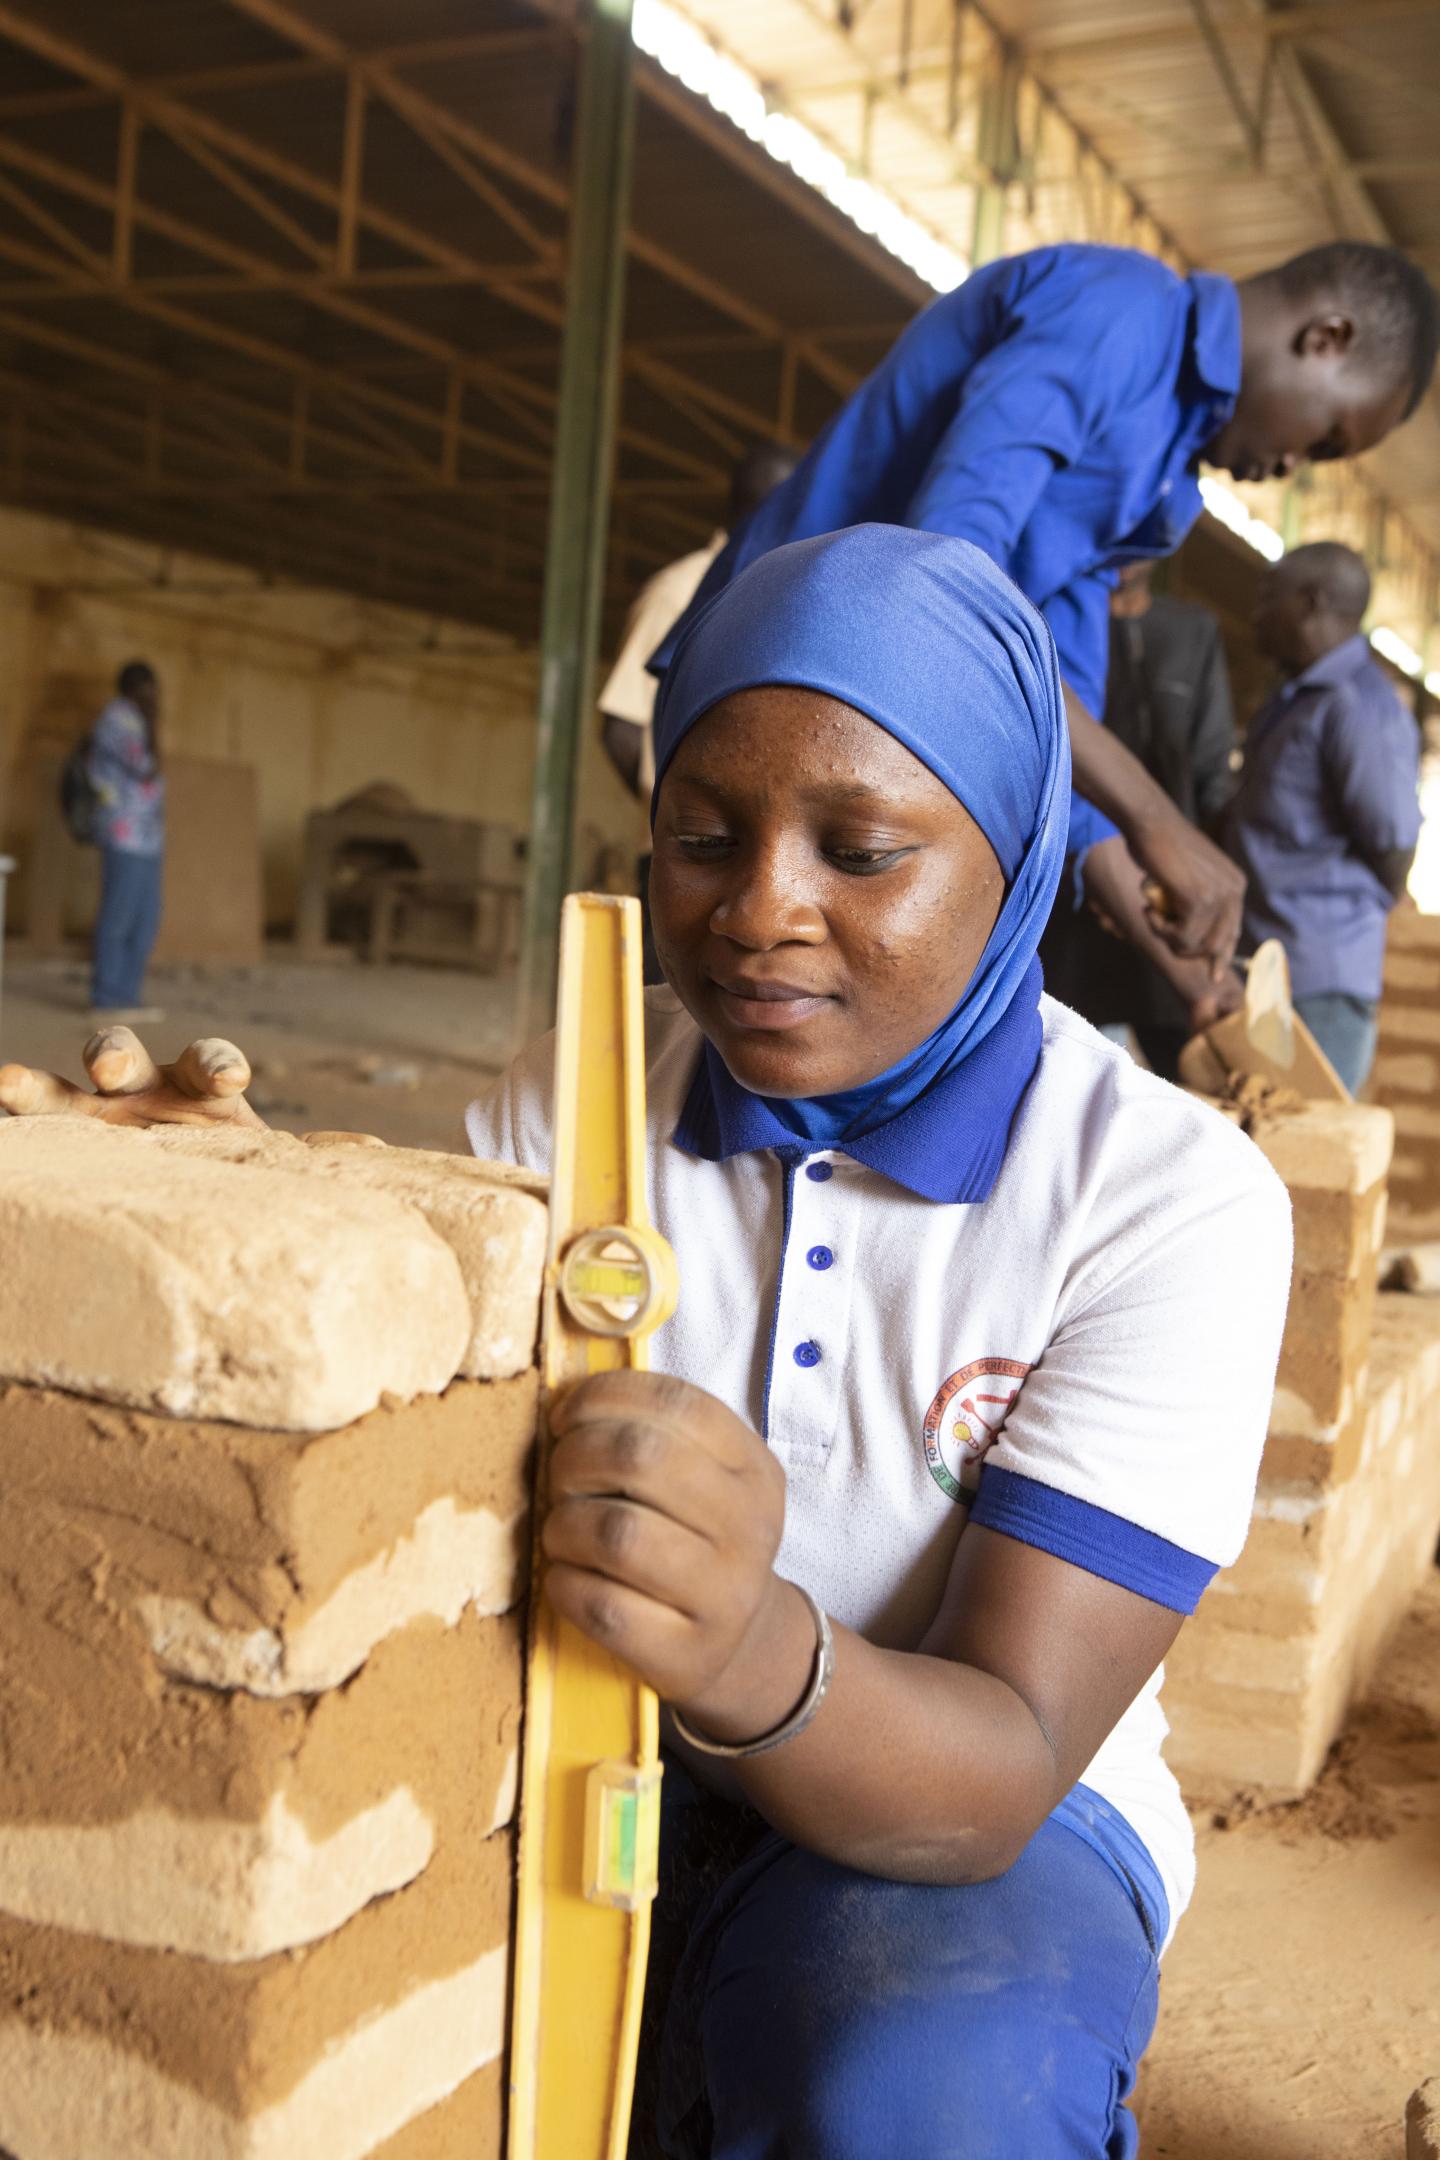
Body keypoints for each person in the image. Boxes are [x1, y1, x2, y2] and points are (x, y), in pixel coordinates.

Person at [0, 530, 1295, 2158]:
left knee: (924, 2089)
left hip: (954, 1825)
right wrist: (204, 1206)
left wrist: (751, 1644)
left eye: (862, 849)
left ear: (1016, 853)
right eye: (703, 833)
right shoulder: (584, 1098)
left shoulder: (1162, 1205)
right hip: (599, 1735)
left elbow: (1000, 1765)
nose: (762, 911)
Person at [652, 239, 1439, 1006]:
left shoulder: (1161, 480)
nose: (1290, 468)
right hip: (766, 690)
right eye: (1326, 438)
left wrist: (1173, 947)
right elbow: (946, 580)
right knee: (727, 1039)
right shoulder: (1121, 310)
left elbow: (1054, 725)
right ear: (1327, 338)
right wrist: (1158, 817)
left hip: (871, 746)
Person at [1226, 541, 1421, 1094]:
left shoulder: (1359, 705)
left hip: (1319, 980)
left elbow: (1394, 842)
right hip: (1268, 966)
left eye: (1269, 598)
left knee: (1306, 1147)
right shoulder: (1294, 698)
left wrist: (1338, 917)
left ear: (1310, 603)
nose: (1256, 614)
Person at [602, 443, 798, 977]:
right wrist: (684, 827)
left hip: (766, 862)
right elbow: (621, 726)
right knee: (668, 1019)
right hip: (693, 861)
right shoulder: (681, 591)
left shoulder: (787, 594)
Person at [1041, 562, 1237, 1079]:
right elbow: (1056, 768)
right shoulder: (1054, 607)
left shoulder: (1191, 633)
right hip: (1073, 894)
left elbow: (1211, 775)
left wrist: (1195, 879)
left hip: (1159, 896)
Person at [87, 659, 166, 1026]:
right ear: (135, 688)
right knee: (118, 916)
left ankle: (127, 996)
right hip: (125, 834)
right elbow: (145, 766)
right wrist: (152, 721)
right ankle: (106, 996)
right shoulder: (117, 720)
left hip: (148, 837)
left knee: (145, 917)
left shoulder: (136, 721)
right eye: (149, 688)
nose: (155, 696)